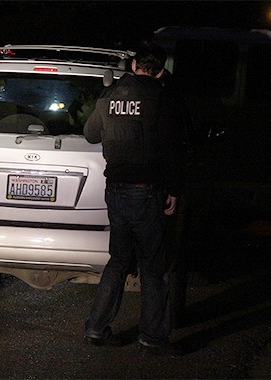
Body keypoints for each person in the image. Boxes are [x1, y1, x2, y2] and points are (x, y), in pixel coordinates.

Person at [82, 42, 184, 356]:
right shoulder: (162, 99)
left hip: (115, 190)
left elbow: (90, 134)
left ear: (133, 65)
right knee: (153, 267)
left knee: (118, 261)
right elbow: (171, 149)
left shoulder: (109, 95)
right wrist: (174, 189)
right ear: (161, 70)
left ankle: (96, 329)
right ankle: (152, 338)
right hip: (146, 191)